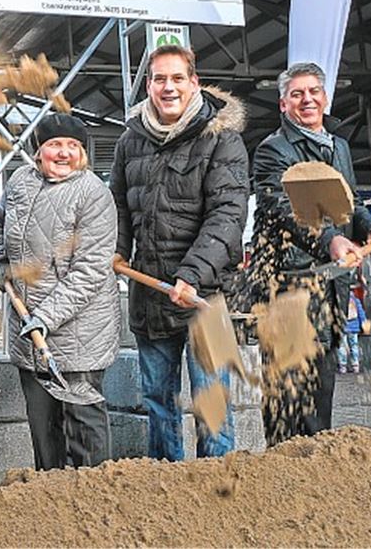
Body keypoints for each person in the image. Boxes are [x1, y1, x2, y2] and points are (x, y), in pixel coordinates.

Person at [248, 62, 371, 444]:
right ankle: (283, 469)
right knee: (287, 398)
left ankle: (316, 467)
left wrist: (369, 227)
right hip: (287, 287)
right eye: (297, 94)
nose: (307, 100)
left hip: (331, 287)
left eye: (313, 91)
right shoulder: (273, 150)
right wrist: (331, 239)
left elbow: (350, 202)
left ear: (325, 98)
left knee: (320, 395)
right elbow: (283, 208)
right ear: (283, 104)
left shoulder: (339, 147)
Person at [110, 44, 249, 462]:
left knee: (213, 400)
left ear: (194, 83)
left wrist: (191, 274)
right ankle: (166, 480)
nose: (168, 87)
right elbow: (118, 206)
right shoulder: (130, 141)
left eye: (176, 78)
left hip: (207, 295)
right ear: (148, 86)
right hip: (150, 293)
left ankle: (218, 483)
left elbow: (228, 215)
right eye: (159, 79)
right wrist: (117, 251)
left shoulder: (223, 139)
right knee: (157, 400)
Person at [0, 113, 120, 470]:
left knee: (83, 431)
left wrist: (44, 319)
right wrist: (0, 262)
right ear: (38, 150)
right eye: (55, 145)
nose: (64, 153)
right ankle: (49, 494)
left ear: (83, 152)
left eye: (72, 146)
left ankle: (95, 494)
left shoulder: (93, 194)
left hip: (79, 335)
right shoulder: (20, 181)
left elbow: (90, 271)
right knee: (43, 429)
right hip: (29, 334)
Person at [339, 289, 365, 374]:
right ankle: (355, 366)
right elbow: (361, 313)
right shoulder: (356, 301)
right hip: (354, 328)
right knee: (354, 346)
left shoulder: (340, 300)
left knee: (342, 346)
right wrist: (363, 323)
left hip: (343, 327)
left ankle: (343, 366)